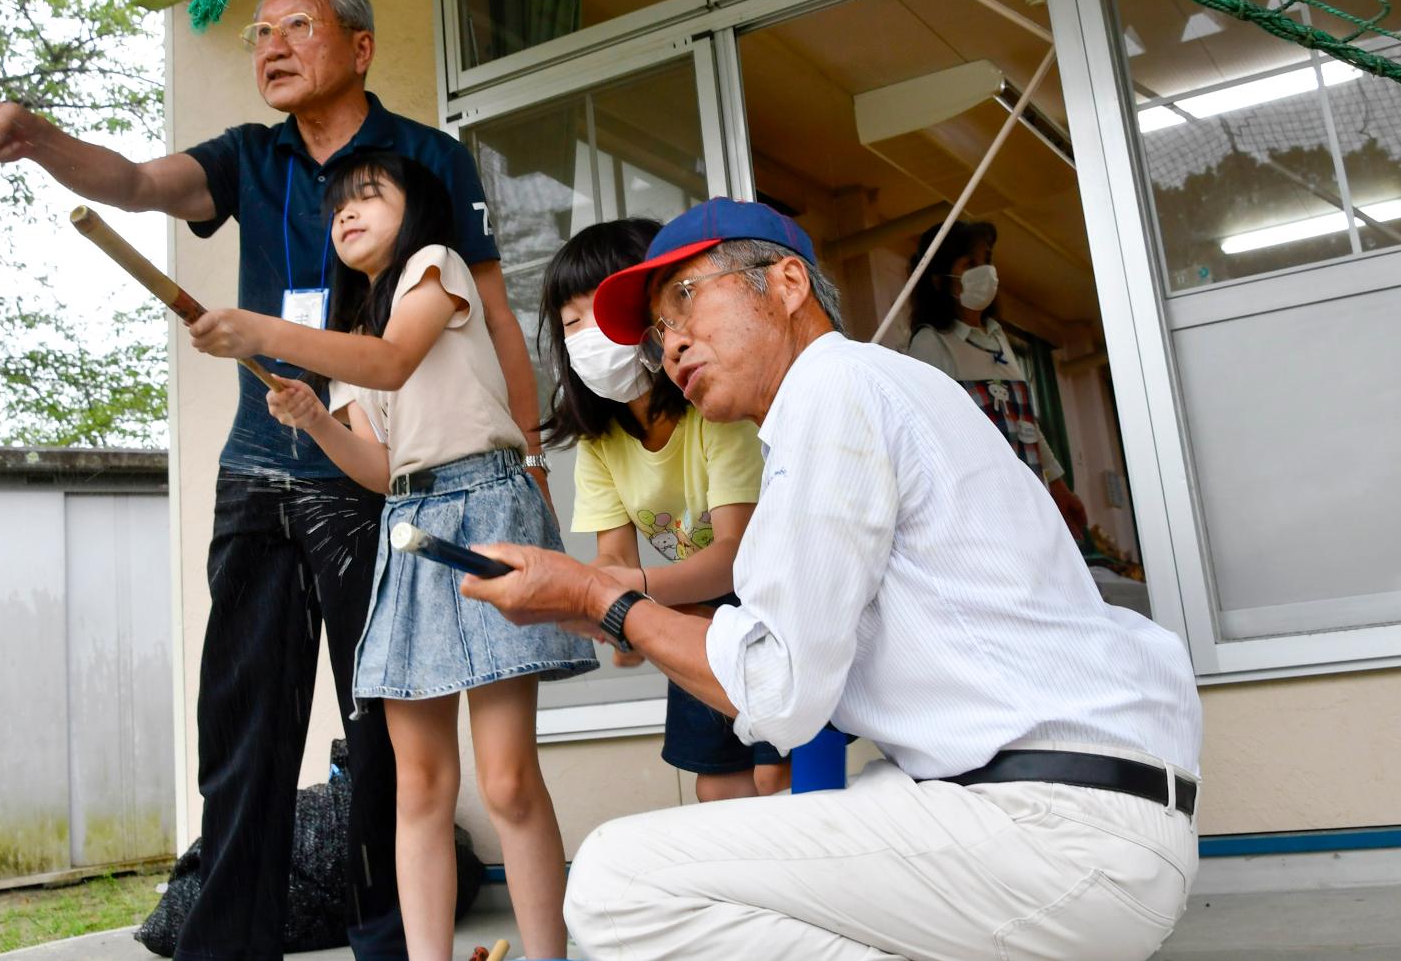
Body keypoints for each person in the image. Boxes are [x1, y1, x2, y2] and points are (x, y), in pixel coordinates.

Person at [0, 0, 543, 961]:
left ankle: (386, 936)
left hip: (372, 469)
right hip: (257, 466)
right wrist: (36, 141)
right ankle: (225, 945)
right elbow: (131, 184)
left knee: (382, 721)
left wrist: (527, 456)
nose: (270, 47)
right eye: (258, 34)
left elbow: (495, 312)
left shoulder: (427, 158)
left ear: (360, 45)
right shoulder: (251, 157)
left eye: (296, 26)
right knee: (241, 718)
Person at [461, 198, 1204, 961]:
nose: (672, 342)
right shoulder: (859, 390)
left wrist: (601, 598)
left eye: (685, 296)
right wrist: (607, 609)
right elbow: (786, 663)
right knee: (797, 821)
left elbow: (778, 689)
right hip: (1058, 811)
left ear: (786, 284)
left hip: (1055, 827)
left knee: (614, 881)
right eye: (657, 331)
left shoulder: (831, 387)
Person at [202, 147, 596, 961]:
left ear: (410, 212)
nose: (346, 211)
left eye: (368, 195)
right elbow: (380, 469)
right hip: (410, 525)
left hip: (486, 506)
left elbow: (395, 360)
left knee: (508, 778)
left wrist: (269, 332)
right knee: (416, 785)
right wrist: (315, 417)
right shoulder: (354, 332)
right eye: (337, 205)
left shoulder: (435, 266)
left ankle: (548, 954)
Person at [539, 219, 788, 801]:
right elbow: (612, 557)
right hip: (689, 613)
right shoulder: (600, 445)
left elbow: (735, 557)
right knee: (715, 785)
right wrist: (598, 603)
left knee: (778, 775)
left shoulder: (715, 412)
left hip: (770, 607)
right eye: (570, 323)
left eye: (601, 314)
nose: (585, 336)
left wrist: (630, 597)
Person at [906, 219, 1089, 540]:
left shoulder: (997, 336)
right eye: (970, 264)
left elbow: (1026, 424)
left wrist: (1058, 485)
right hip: (982, 510)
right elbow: (933, 437)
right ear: (939, 280)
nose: (984, 271)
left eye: (986, 260)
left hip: (1025, 497)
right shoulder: (931, 343)